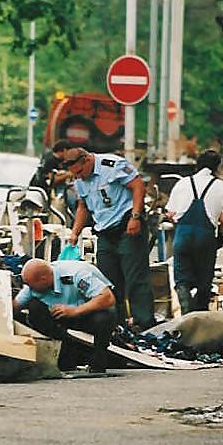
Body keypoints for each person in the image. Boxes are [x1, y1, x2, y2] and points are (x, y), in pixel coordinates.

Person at [54, 141, 156, 331]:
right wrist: (74, 233)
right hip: (105, 232)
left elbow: (138, 186)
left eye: (80, 172)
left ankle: (144, 323)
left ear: (87, 160)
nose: (78, 177)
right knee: (107, 281)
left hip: (127, 226)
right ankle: (117, 324)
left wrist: (135, 216)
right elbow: (83, 207)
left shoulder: (112, 165)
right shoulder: (79, 180)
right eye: (75, 175)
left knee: (135, 278)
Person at [13, 258, 116, 374]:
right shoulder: (33, 284)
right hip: (61, 318)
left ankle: (98, 363)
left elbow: (107, 298)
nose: (30, 288)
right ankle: (65, 355)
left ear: (43, 279)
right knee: (35, 307)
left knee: (104, 317)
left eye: (31, 285)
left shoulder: (77, 274)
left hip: (87, 312)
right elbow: (15, 306)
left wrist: (75, 311)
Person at [165, 149, 223, 314]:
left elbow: (170, 213)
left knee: (182, 279)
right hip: (205, 238)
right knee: (204, 281)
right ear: (217, 167)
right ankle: (200, 316)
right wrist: (221, 236)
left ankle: (186, 313)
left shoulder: (182, 183)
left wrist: (178, 220)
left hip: (182, 236)